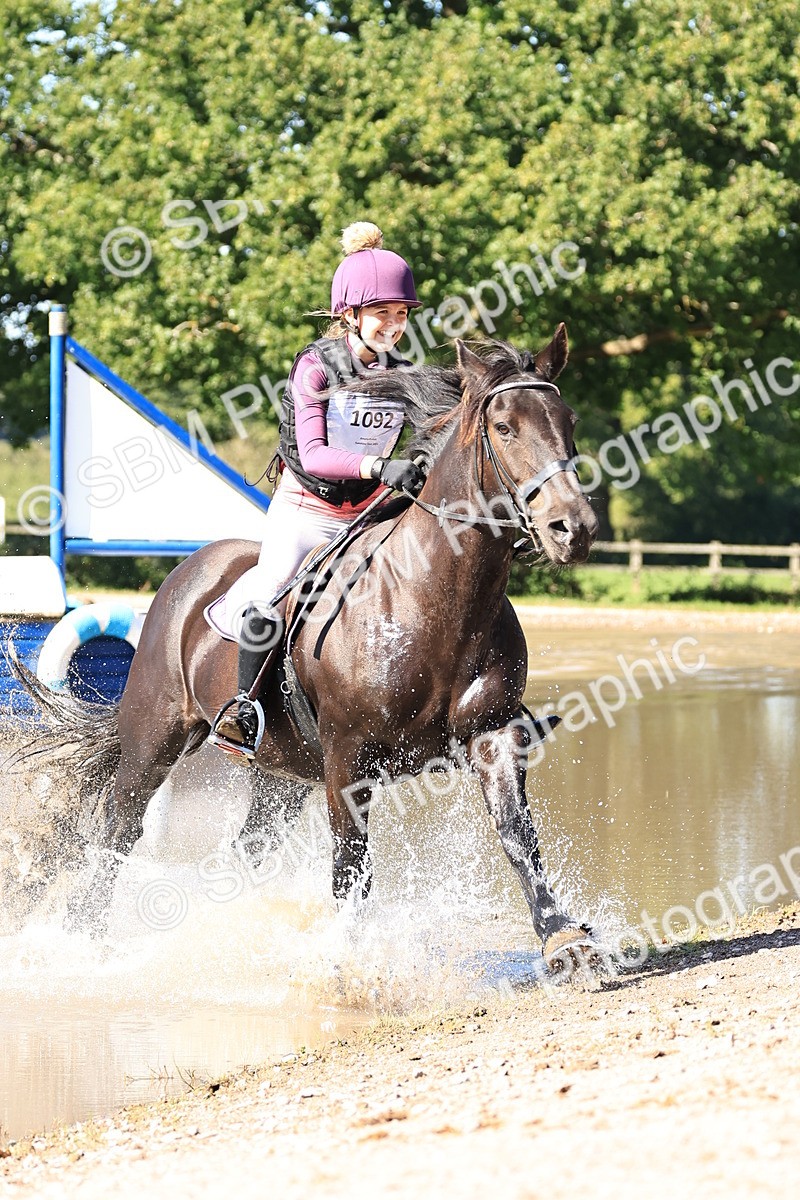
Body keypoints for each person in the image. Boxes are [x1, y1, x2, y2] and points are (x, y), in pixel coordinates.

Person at [208, 222, 426, 760]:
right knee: (273, 588)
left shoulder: (404, 371)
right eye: (383, 314)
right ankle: (244, 708)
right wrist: (381, 466)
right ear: (350, 314)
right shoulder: (315, 367)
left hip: (369, 517)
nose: (394, 327)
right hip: (307, 511)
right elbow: (314, 455)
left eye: (401, 315)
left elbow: (438, 427)